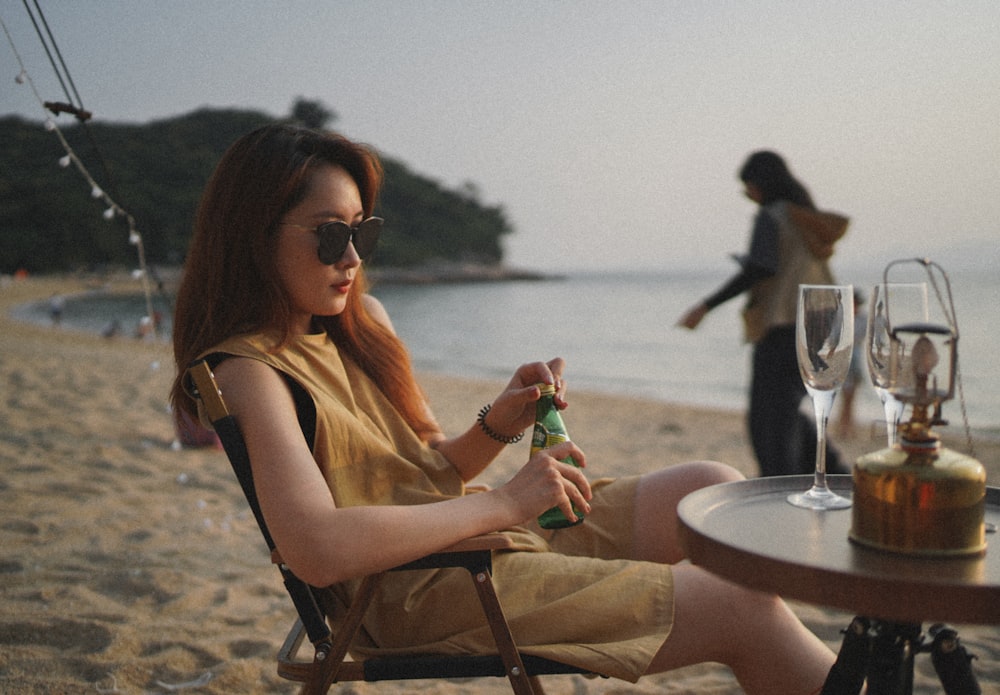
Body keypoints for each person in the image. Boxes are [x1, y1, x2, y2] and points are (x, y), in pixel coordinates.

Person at [170, 126, 836, 694]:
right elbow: (316, 549)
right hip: (415, 589)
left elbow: (431, 467)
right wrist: (508, 503)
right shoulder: (250, 370)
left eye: (361, 234)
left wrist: (500, 422)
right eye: (327, 236)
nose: (350, 258)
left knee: (712, 489)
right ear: (253, 236)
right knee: (741, 602)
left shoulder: (361, 324)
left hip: (469, 540)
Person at [678, 150, 850, 477]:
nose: (748, 196)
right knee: (788, 413)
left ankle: (777, 491)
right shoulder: (808, 220)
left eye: (748, 188)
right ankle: (840, 474)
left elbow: (761, 268)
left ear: (761, 185)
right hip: (826, 323)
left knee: (767, 424)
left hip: (786, 327)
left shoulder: (772, 216)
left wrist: (705, 306)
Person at [836, 288, 868, 439]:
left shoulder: (862, 318)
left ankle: (848, 425)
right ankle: (843, 426)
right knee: (845, 396)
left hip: (856, 358)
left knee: (852, 396)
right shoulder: (842, 318)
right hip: (845, 358)